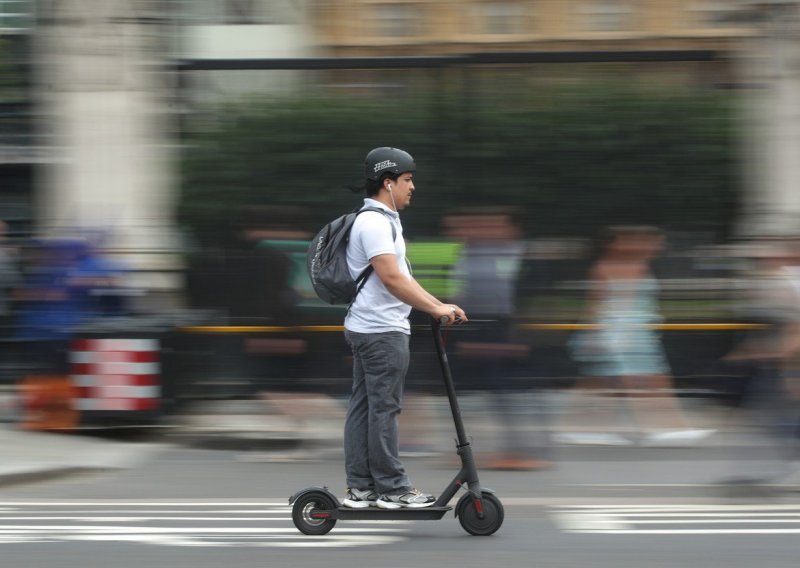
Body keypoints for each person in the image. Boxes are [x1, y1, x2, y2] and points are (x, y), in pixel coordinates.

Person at [342, 147, 467, 509]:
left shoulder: (375, 220)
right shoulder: (376, 223)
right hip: (381, 331)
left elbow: (401, 278)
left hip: (370, 326)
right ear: (387, 182)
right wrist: (436, 307)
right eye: (408, 180)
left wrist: (435, 305)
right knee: (383, 409)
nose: (413, 187)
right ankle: (392, 489)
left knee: (365, 407)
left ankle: (362, 488)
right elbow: (392, 278)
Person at [558, 226, 713, 446]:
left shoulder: (628, 265)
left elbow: (596, 304)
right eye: (647, 241)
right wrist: (610, 336)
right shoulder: (621, 267)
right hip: (623, 332)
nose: (655, 246)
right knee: (648, 381)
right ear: (619, 243)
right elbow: (604, 305)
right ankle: (664, 428)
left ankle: (582, 429)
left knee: (603, 383)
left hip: (625, 331)